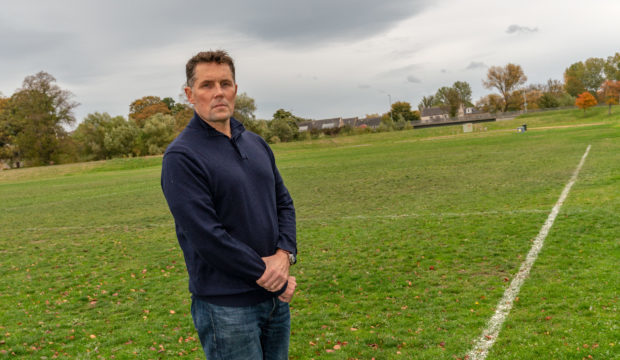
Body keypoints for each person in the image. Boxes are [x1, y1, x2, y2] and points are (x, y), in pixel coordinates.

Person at [161, 50, 297, 359]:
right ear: (189, 94)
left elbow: (284, 204)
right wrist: (271, 276)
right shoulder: (182, 157)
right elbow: (208, 237)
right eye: (207, 85)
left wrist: (284, 254)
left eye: (225, 83)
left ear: (235, 88)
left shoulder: (255, 143)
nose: (218, 92)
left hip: (274, 302)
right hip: (226, 308)